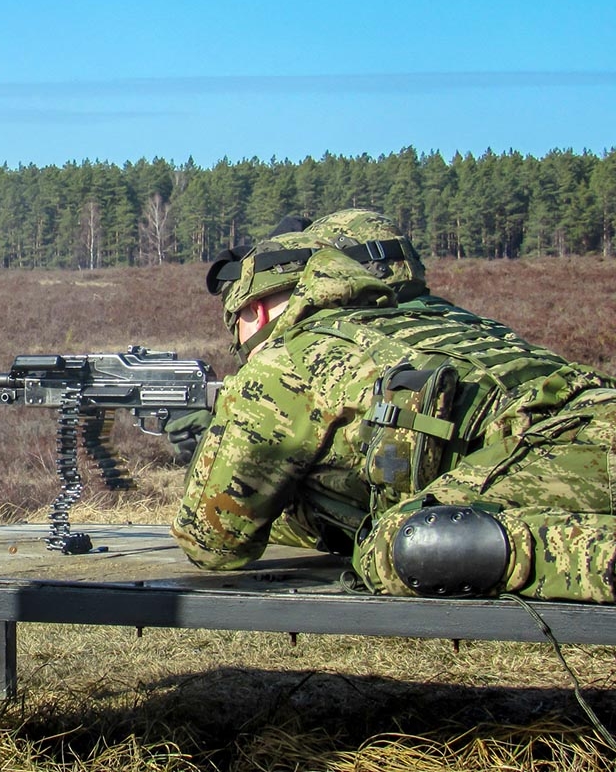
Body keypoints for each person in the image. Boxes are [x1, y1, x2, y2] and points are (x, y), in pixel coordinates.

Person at [171, 228, 616, 603]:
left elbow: (212, 543)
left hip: (562, 451)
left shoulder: (283, 362)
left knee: (408, 544)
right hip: (584, 424)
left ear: (255, 309)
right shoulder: (439, 324)